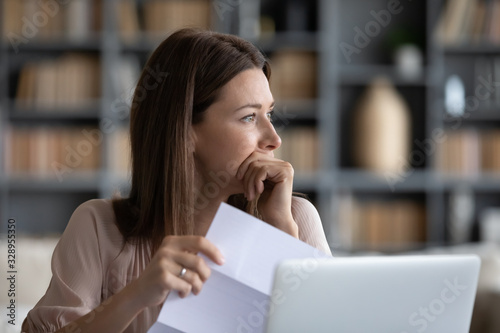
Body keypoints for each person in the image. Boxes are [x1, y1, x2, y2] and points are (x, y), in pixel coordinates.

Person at [22, 28, 331, 333]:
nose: (274, 139)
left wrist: (282, 239)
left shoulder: (297, 220)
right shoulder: (98, 227)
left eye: (270, 114)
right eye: (249, 117)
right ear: (185, 132)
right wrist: (135, 296)